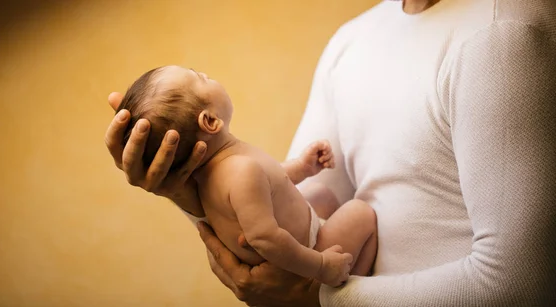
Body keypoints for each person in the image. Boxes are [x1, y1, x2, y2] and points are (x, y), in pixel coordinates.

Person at [104, 0, 556, 305]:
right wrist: (179, 190)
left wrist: (320, 296)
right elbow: (284, 212)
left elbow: (521, 283)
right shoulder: (351, 41)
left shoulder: (501, 30)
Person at [114, 65, 378, 287]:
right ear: (210, 121)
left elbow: (270, 185)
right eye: (200, 77)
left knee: (320, 194)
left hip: (302, 239)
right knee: (361, 212)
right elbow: (265, 239)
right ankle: (347, 283)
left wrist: (302, 167)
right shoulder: (241, 171)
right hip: (307, 259)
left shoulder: (212, 173)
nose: (206, 73)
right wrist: (321, 266)